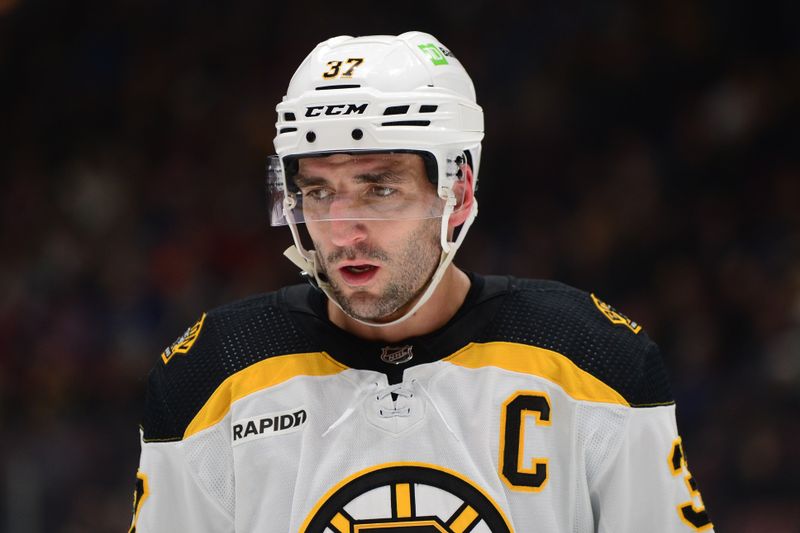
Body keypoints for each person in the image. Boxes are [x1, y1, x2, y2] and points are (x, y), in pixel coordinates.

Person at [130, 31, 714, 532]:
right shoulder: (209, 378)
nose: (342, 230)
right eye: (317, 191)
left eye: (379, 189)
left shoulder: (593, 361)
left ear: (457, 194)